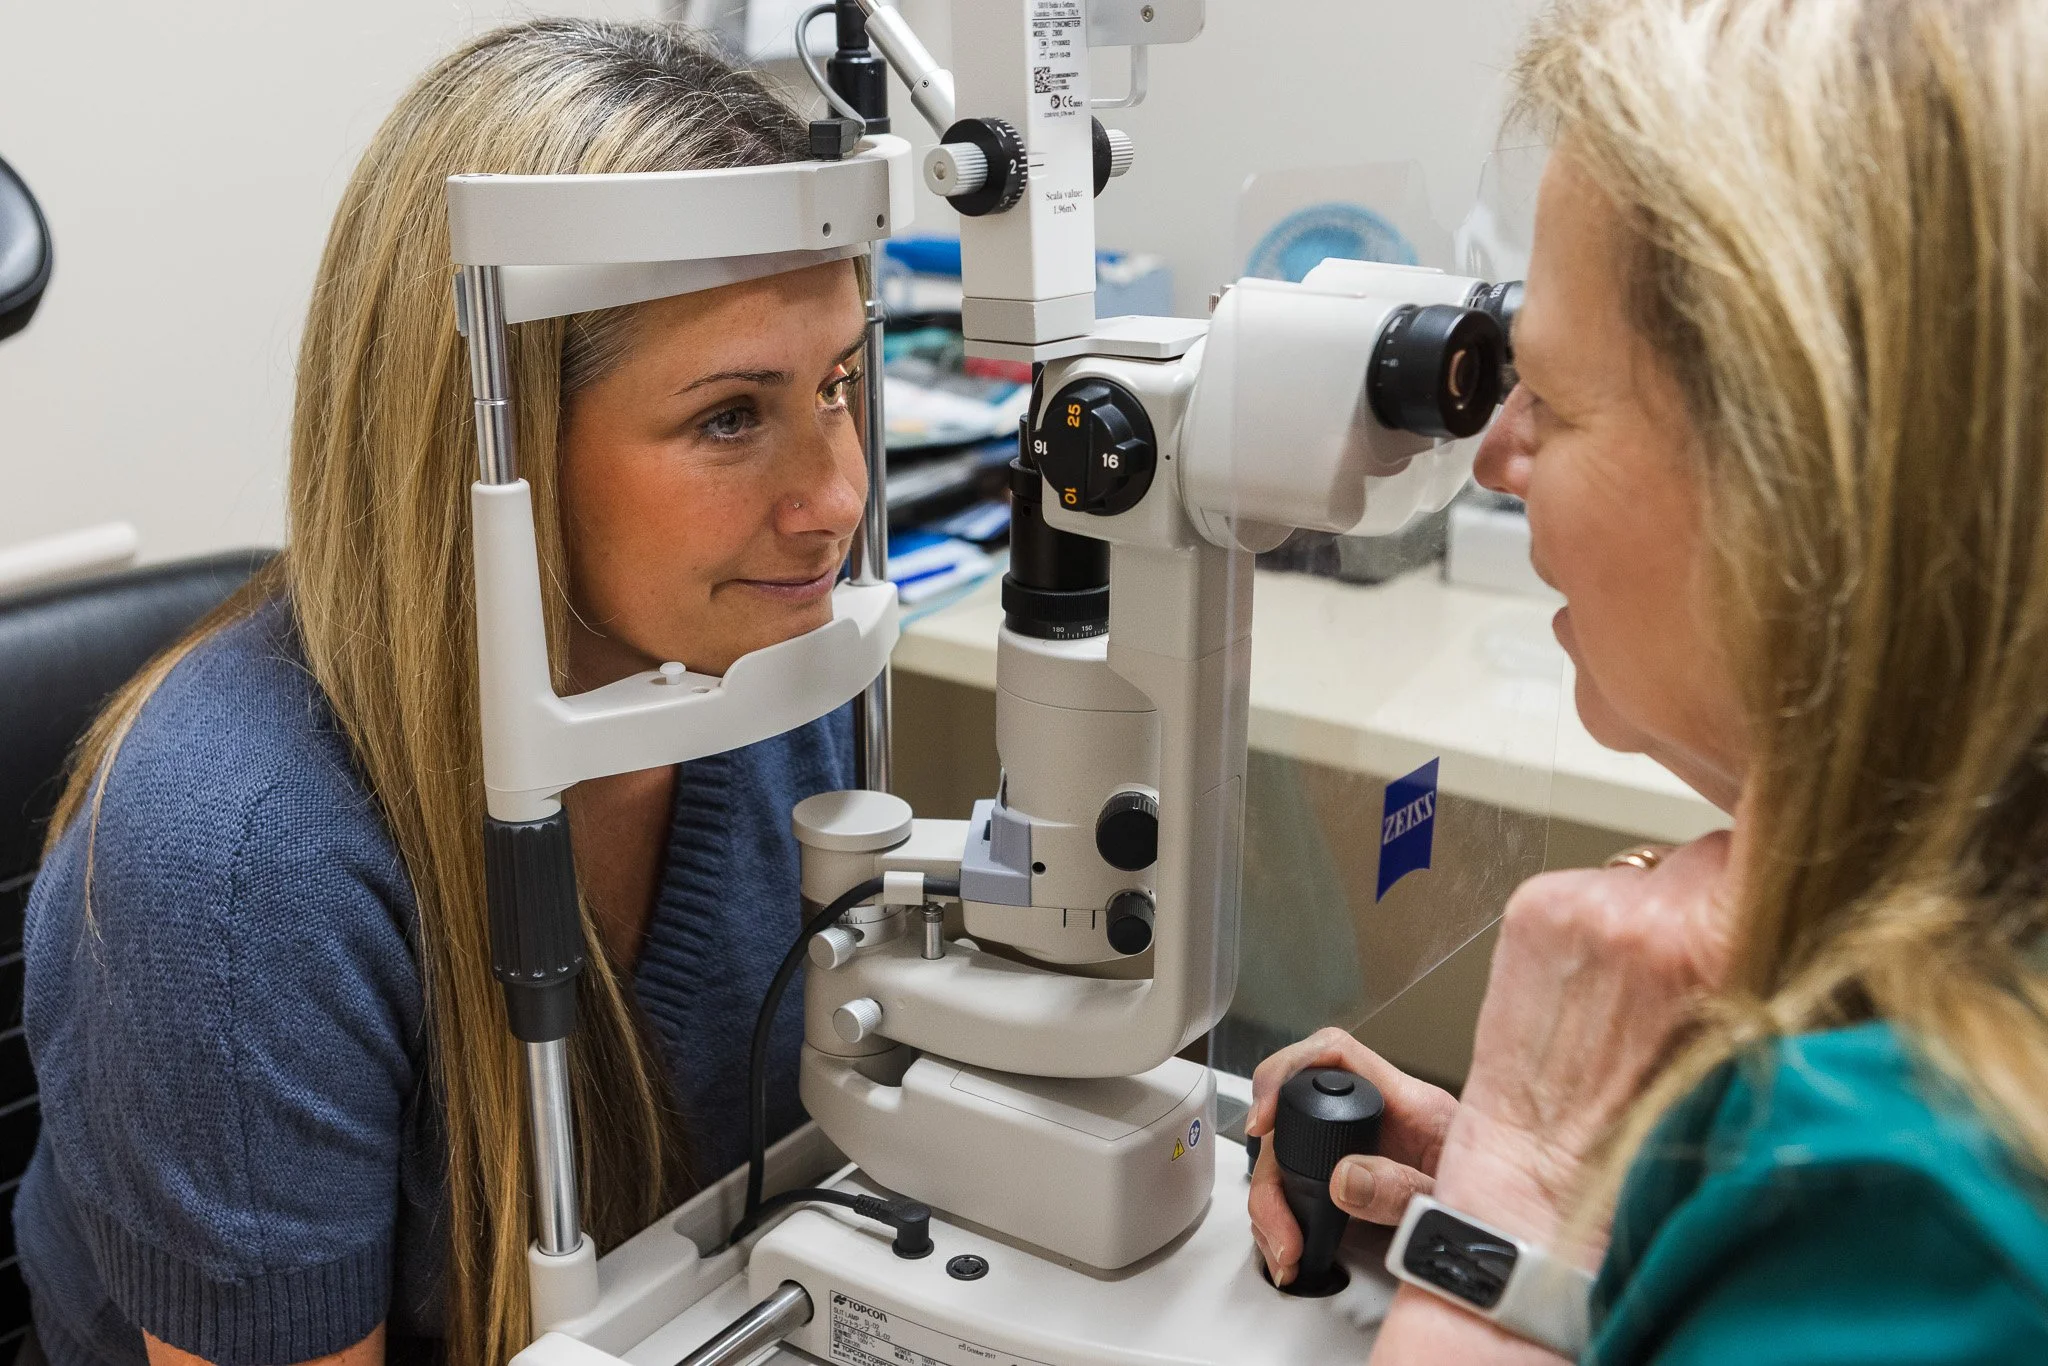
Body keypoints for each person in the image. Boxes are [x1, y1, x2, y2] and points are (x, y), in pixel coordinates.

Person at [17, 21, 874, 1366]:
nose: (835, 497)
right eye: (729, 416)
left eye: (839, 385)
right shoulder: (240, 871)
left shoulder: (764, 666)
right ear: (494, 435)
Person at [1249, 0, 2048, 1360]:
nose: (1500, 454)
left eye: (1550, 399)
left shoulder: (1912, 1203)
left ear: (1804, 485)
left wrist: (1530, 1179)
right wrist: (1636, 1223)